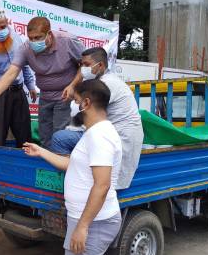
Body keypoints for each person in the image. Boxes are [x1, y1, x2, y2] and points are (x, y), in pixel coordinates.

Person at [23, 79, 122, 255]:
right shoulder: (94, 133)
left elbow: (102, 185)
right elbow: (73, 165)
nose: (74, 107)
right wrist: (41, 151)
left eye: (76, 102)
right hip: (90, 221)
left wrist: (83, 227)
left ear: (87, 103)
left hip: (93, 223)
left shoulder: (99, 136)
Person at [0, 16, 85, 148]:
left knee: (60, 134)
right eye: (30, 38)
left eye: (38, 37)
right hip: (45, 97)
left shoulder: (68, 41)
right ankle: (46, 166)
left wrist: (73, 85)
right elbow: (11, 73)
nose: (34, 41)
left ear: (49, 34)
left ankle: (60, 166)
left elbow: (85, 64)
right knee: (44, 136)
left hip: (66, 95)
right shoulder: (26, 48)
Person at [56, 47, 144, 189]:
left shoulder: (107, 84)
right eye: (81, 65)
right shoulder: (102, 81)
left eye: (86, 65)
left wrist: (75, 101)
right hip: (110, 133)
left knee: (60, 138)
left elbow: (81, 111)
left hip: (119, 136)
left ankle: (73, 179)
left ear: (101, 65)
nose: (83, 69)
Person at [0, 10, 37, 147]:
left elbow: (24, 64)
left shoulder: (16, 38)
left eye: (3, 26)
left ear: (7, 24)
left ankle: (25, 166)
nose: (1, 30)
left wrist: (31, 85)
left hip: (19, 92)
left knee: (25, 136)